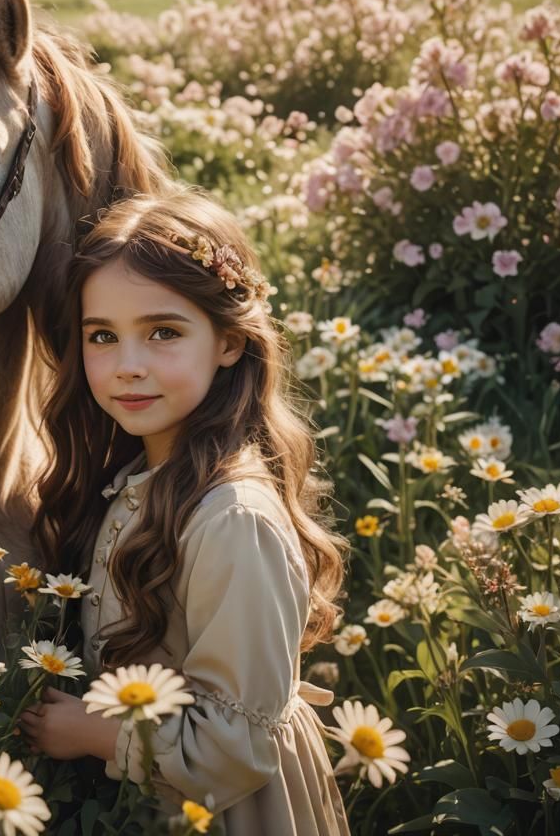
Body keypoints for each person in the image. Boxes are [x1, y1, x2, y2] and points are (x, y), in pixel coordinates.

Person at [19, 187, 351, 835]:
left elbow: (236, 750)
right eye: (102, 336)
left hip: (227, 812)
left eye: (163, 333)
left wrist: (94, 733)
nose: (128, 366)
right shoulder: (136, 479)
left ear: (229, 340)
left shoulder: (233, 519)